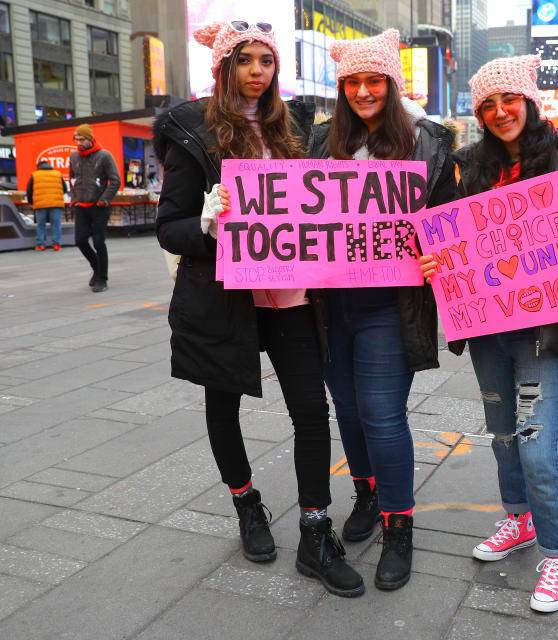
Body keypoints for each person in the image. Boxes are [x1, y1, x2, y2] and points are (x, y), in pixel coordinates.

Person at [153, 18, 364, 597]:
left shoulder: (295, 125)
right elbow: (168, 227)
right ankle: (247, 505)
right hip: (224, 301)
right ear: (223, 67)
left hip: (292, 296)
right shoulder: (192, 130)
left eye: (265, 61)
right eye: (243, 60)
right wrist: (205, 223)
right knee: (223, 406)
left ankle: (315, 531)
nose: (255, 72)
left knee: (310, 411)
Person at [420, 54, 558, 614]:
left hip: (546, 330)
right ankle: (519, 520)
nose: (500, 113)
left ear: (531, 101)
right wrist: (433, 260)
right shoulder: (462, 165)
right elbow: (440, 231)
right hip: (488, 325)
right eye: (488, 105)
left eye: (510, 100)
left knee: (538, 445)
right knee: (502, 435)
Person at [306, 28, 457, 591]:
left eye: (375, 81)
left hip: (390, 306)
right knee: (345, 406)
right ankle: (367, 493)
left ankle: (399, 524)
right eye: (353, 82)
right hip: (327, 305)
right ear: (342, 87)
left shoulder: (428, 143)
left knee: (382, 414)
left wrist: (437, 254)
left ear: (392, 85)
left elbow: (448, 218)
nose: (364, 91)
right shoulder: (320, 142)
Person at [69, 124, 120, 292]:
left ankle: (102, 278)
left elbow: (115, 180)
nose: (79, 142)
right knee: (80, 241)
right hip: (81, 206)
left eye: (82, 139)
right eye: (76, 139)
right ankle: (96, 268)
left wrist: (104, 200)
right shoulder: (74, 156)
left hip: (99, 206)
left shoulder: (104, 155)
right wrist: (74, 198)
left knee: (99, 242)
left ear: (90, 139)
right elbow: (72, 179)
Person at [26, 160, 67, 251]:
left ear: (39, 166)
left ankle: (41, 245)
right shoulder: (57, 174)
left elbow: (29, 190)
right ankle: (56, 244)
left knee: (41, 225)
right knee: (56, 224)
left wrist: (31, 202)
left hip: (40, 204)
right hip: (56, 204)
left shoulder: (35, 174)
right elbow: (64, 189)